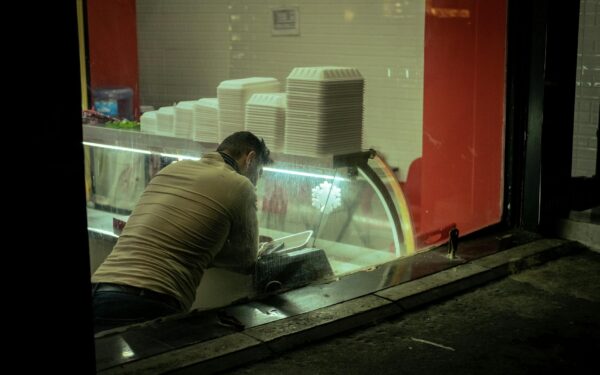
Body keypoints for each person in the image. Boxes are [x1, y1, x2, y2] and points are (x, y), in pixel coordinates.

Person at [91, 131, 273, 333]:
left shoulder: (172, 169)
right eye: (259, 173)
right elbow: (246, 259)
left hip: (101, 287)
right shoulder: (241, 185)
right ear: (250, 159)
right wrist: (203, 252)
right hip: (152, 300)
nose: (256, 181)